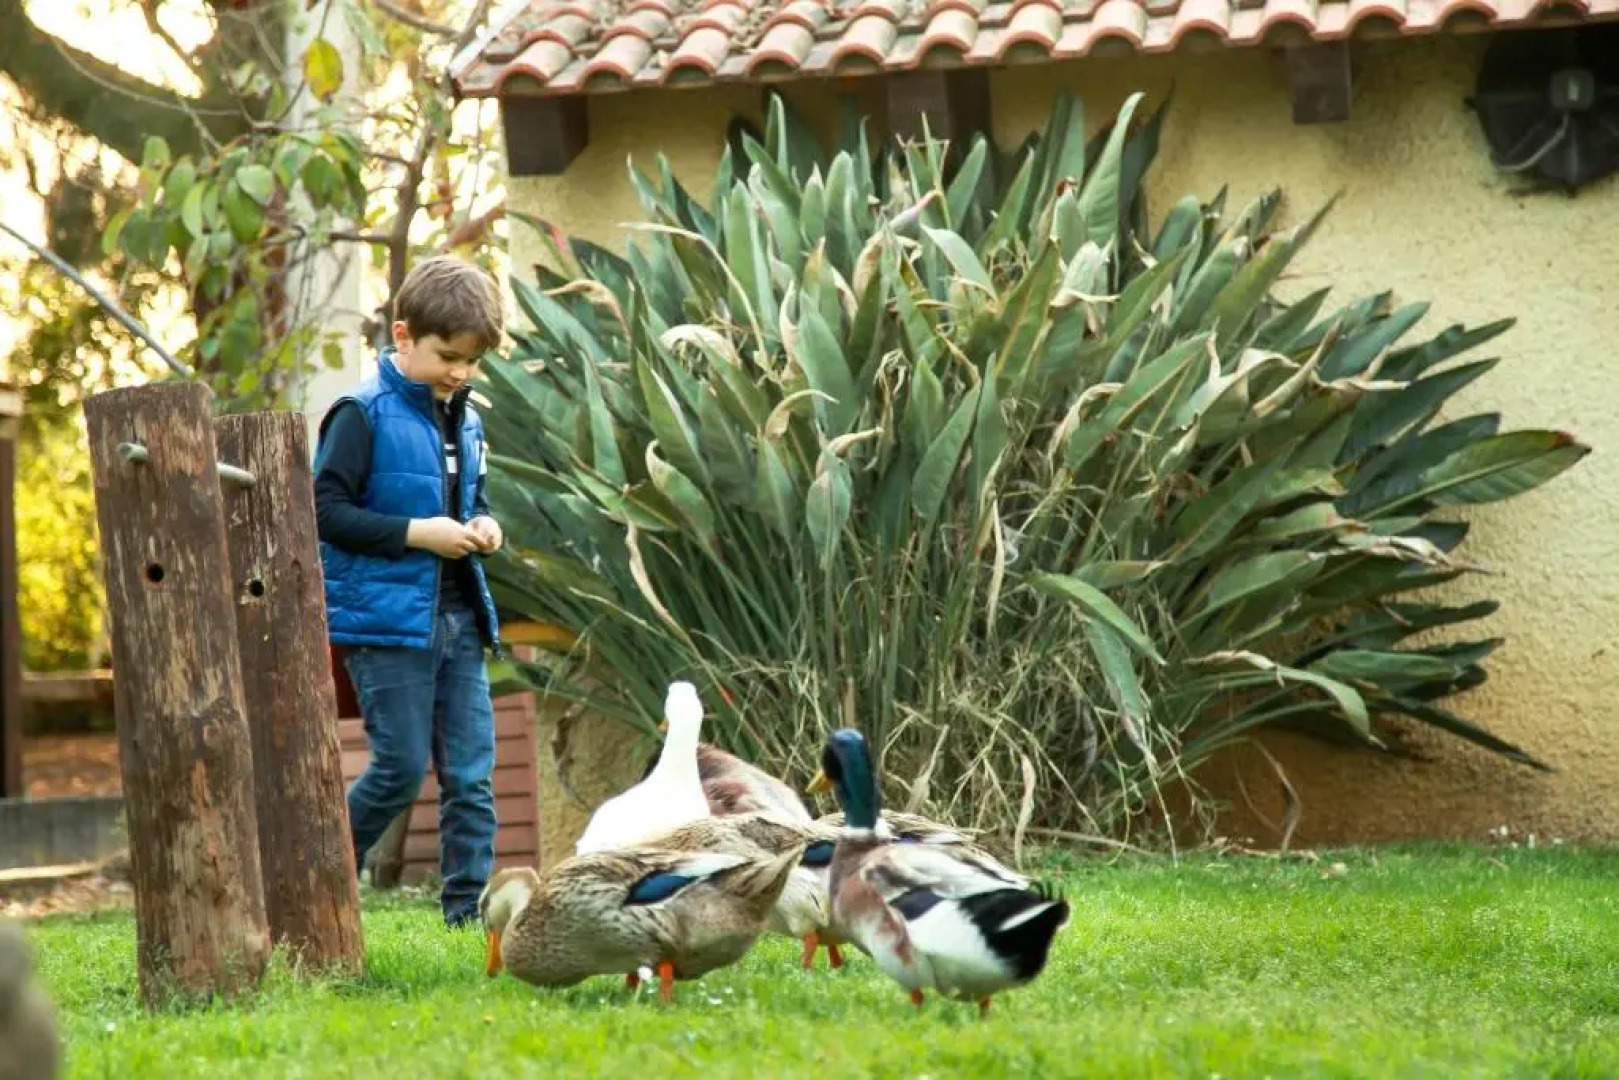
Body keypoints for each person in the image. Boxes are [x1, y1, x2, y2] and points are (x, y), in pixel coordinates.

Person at [313, 255, 506, 929]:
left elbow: (469, 498)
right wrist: (419, 533)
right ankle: (317, 889)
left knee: (472, 780)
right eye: (448, 355)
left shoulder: (468, 417)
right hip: (388, 625)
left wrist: (482, 524)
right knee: (398, 767)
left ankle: (467, 921)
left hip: (458, 616)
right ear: (403, 335)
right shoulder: (359, 413)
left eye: (472, 362)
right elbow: (325, 513)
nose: (460, 372)